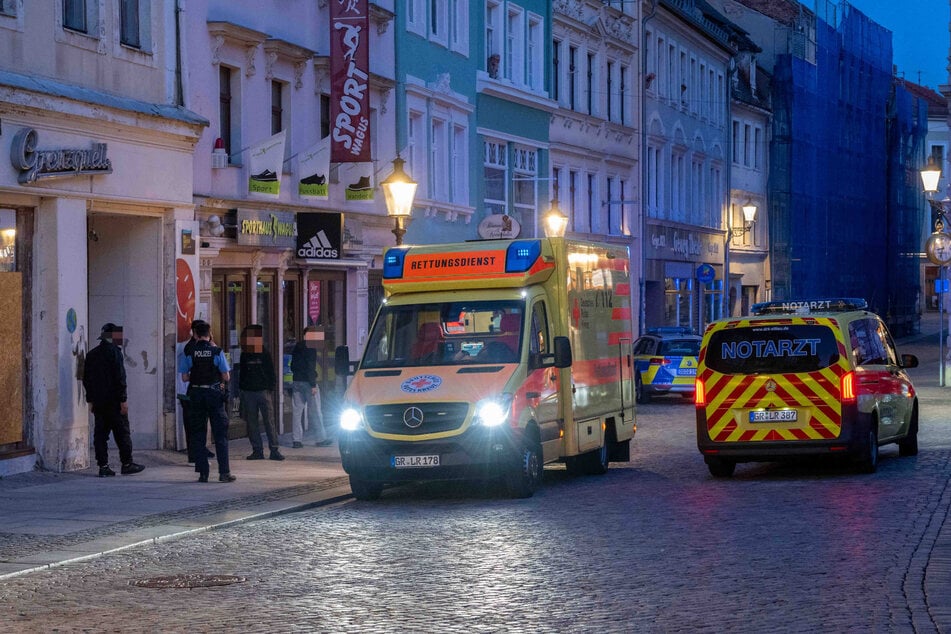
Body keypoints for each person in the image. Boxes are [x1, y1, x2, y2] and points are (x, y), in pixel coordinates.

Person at [82, 323, 145, 477]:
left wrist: (90, 400)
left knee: (100, 435)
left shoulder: (91, 354)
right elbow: (120, 377)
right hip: (114, 402)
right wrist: (123, 400)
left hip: (99, 402)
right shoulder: (115, 353)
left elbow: (86, 379)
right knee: (122, 433)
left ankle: (103, 466)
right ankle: (127, 463)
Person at [179, 321, 235, 482]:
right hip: (213, 395)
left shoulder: (189, 352)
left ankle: (203, 473)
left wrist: (196, 375)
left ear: (195, 335)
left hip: (196, 394)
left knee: (198, 434)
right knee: (220, 435)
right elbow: (226, 376)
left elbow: (184, 377)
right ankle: (224, 473)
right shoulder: (217, 351)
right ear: (209, 334)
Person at [238, 324, 284, 461]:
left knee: (268, 421)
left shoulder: (264, 352)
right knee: (253, 422)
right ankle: (258, 450)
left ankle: (274, 449)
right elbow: (243, 373)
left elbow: (270, 371)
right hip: (250, 391)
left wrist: (270, 387)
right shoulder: (245, 354)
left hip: (262, 391)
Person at [290, 326, 332, 448]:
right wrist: (313, 384)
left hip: (297, 381)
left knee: (297, 412)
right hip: (308, 383)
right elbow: (310, 367)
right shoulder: (311, 348)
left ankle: (296, 440)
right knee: (316, 411)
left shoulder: (297, 347)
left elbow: (292, 365)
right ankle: (320, 438)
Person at [180, 320, 214, 463]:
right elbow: (185, 375)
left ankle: (200, 450)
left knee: (200, 424)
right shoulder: (191, 348)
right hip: (191, 393)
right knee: (192, 425)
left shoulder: (204, 347)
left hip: (196, 391)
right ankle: (194, 454)